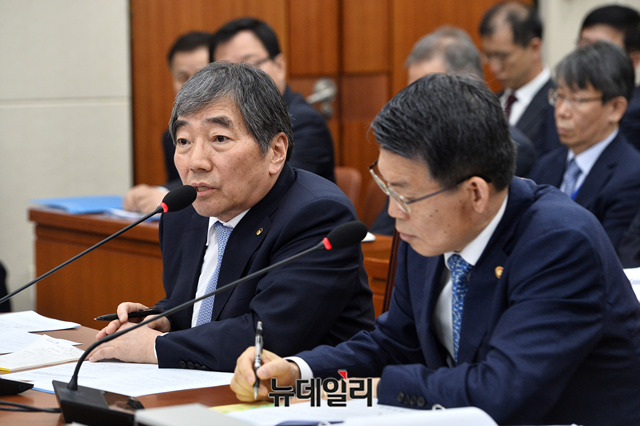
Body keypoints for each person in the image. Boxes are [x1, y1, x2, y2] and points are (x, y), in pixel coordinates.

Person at [230, 73, 640, 425]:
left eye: (404, 195)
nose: (393, 212)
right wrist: (299, 373)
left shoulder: (559, 243)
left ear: (475, 193)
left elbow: (500, 392)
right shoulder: (428, 230)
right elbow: (396, 343)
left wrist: (366, 389)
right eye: (386, 187)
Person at [90, 62, 375, 371]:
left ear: (275, 151)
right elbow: (206, 307)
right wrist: (162, 319)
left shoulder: (318, 216)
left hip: (305, 393)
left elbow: (267, 337)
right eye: (184, 141)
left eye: (219, 139)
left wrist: (155, 346)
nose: (196, 162)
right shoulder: (185, 211)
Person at [370, 26, 536, 236]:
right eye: (412, 90)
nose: (415, 102)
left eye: (429, 91)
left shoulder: (509, 147)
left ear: (466, 86)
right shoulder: (412, 146)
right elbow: (388, 229)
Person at [529, 41, 640, 252]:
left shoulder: (632, 176)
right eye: (560, 96)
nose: (562, 111)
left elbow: (605, 255)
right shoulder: (546, 166)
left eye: (577, 100)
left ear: (615, 108)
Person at [210, 17, 335, 183]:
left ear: (280, 66)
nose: (238, 80)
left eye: (249, 66)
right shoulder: (216, 124)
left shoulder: (305, 122)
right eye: (226, 71)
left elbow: (277, 186)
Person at [124, 31, 212, 213]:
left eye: (200, 77)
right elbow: (182, 182)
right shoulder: (171, 137)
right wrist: (153, 193)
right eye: (183, 78)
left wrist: (164, 192)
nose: (191, 88)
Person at [479, 1, 560, 158]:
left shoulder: (558, 105)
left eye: (503, 56)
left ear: (535, 48)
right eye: (489, 56)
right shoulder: (489, 103)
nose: (494, 67)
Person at [577, 4, 640, 152]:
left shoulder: (634, 115)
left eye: (601, 49)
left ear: (634, 59)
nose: (588, 56)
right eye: (584, 45)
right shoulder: (560, 100)